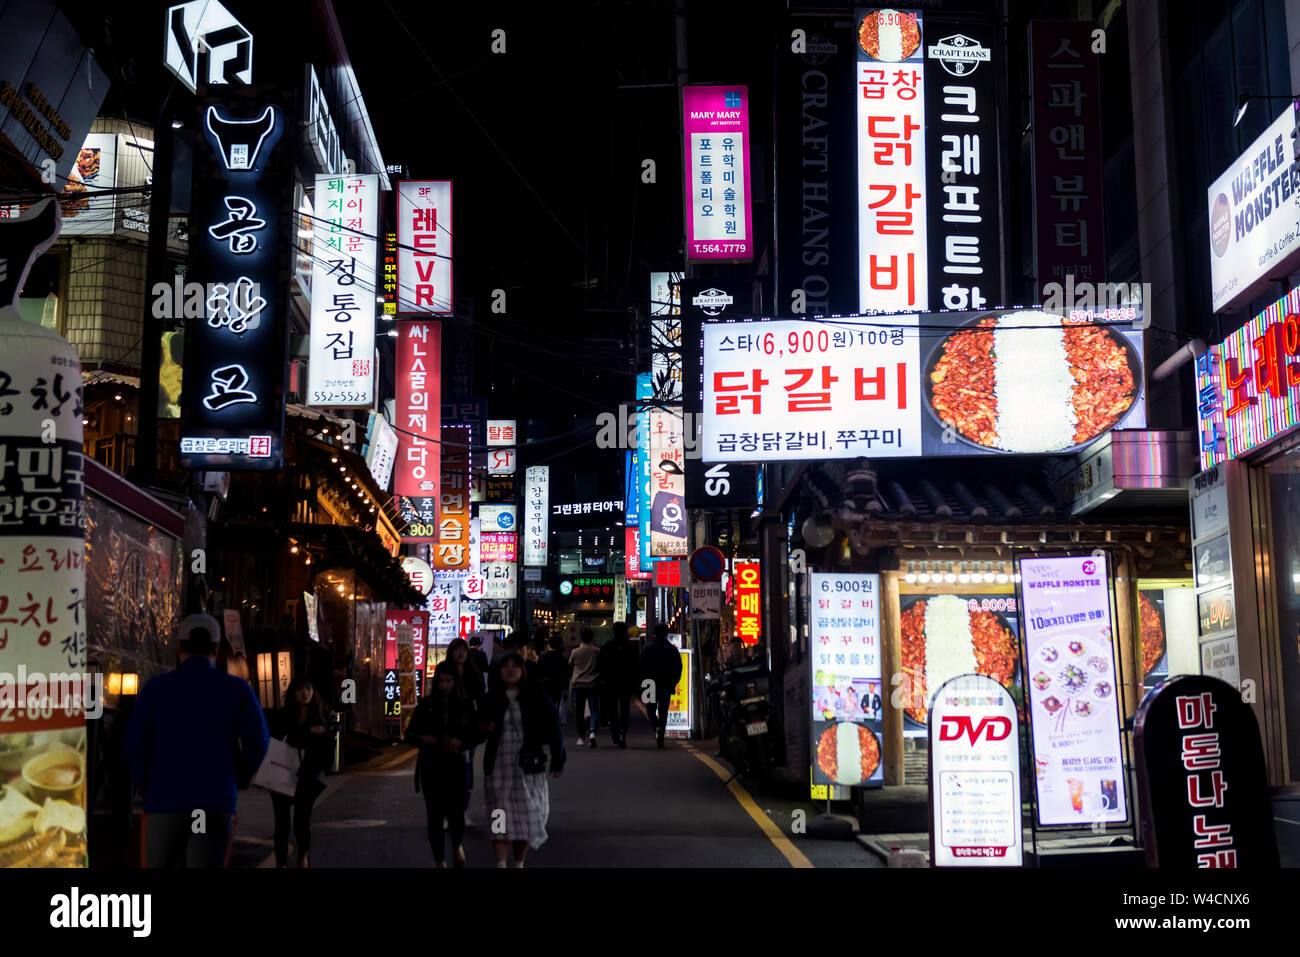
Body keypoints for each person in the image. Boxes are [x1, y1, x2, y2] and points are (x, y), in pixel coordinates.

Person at [125, 613, 269, 867]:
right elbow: (258, 742)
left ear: (179, 646)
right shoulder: (237, 690)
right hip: (214, 800)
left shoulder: (156, 689)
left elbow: (135, 743)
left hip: (164, 800)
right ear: (216, 648)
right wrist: (239, 777)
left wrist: (146, 783)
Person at [481, 653, 565, 867]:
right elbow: (476, 727)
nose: (510, 670)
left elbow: (554, 730)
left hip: (528, 766)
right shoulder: (492, 698)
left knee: (526, 817)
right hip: (498, 766)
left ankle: (518, 863)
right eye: (505, 666)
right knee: (498, 814)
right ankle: (501, 863)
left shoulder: (536, 696)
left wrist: (558, 760)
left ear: (523, 670)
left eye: (515, 666)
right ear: (498, 671)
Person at [405, 661, 481, 867]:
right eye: (441, 681)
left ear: (455, 682)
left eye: (448, 681)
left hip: (456, 766)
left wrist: (462, 741)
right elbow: (409, 734)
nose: (444, 686)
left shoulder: (464, 705)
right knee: (435, 817)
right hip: (431, 767)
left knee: (456, 814)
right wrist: (423, 740)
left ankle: (456, 844)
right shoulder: (426, 705)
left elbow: (477, 732)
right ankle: (440, 860)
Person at [268, 675, 332, 868]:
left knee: (301, 821)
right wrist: (308, 733)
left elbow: (327, 750)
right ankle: (281, 862)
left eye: (309, 689)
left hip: (307, 777)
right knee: (282, 824)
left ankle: (303, 855)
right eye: (300, 689)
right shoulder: (282, 716)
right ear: (293, 692)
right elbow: (278, 740)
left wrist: (324, 735)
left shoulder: (320, 717)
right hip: (282, 773)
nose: (305, 693)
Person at [445, 637, 487, 820]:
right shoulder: (444, 671)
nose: (461, 653)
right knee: (449, 769)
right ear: (451, 652)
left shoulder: (473, 673)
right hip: (448, 726)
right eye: (457, 650)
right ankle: (448, 813)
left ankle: (462, 811)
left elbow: (481, 698)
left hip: (469, 727)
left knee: (467, 768)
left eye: (464, 650)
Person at [639, 624, 683, 749]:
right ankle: (661, 736)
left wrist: (642, 682)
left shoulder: (647, 648)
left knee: (650, 708)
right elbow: (678, 667)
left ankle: (655, 725)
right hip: (666, 683)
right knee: (664, 711)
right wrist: (674, 681)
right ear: (666, 633)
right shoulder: (672, 649)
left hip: (649, 683)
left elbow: (641, 666)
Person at [598, 622, 639, 748]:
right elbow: (635, 666)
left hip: (611, 682)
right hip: (626, 682)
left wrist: (602, 681)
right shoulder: (631, 647)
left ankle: (615, 734)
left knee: (613, 709)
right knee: (625, 708)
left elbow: (601, 666)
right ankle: (623, 733)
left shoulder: (606, 646)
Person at [568, 628, 601, 747]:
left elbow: (570, 665)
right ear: (592, 637)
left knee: (579, 711)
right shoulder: (597, 651)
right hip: (593, 683)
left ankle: (581, 737)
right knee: (594, 710)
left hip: (579, 684)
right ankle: (592, 731)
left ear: (581, 638)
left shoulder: (575, 652)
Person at [536, 634, 571, 726]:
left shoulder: (543, 657)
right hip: (559, 685)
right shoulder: (562, 658)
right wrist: (566, 687)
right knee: (558, 703)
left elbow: (538, 672)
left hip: (545, 684)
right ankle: (557, 720)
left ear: (549, 645)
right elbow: (567, 673)